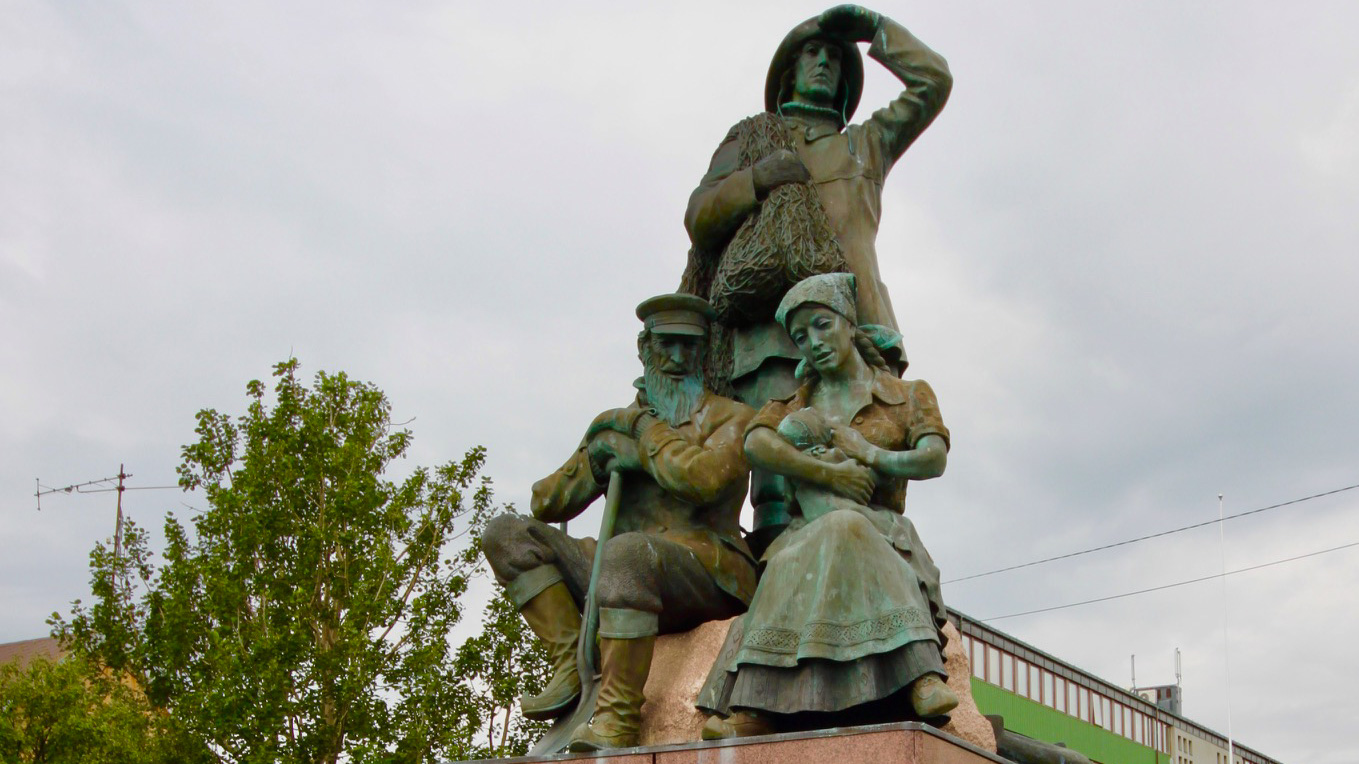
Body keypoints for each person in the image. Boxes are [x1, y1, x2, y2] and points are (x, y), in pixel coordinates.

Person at [679, 4, 952, 545]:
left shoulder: (865, 143)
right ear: (790, 71)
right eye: (812, 53)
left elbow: (934, 80)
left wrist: (874, 29)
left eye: (834, 56)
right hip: (767, 320)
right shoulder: (752, 138)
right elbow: (698, 215)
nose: (824, 62)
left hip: (857, 320)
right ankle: (774, 563)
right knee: (774, 472)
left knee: (872, 463)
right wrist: (757, 178)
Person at [480, 293, 758, 751]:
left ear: (703, 352)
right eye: (666, 344)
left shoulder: (734, 418)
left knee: (627, 552)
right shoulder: (618, 424)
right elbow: (546, 502)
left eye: (689, 346)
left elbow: (703, 481)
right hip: (621, 567)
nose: (677, 357)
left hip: (707, 566)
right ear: (644, 349)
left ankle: (617, 717)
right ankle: (570, 661)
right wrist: (596, 453)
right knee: (506, 535)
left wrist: (645, 438)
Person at [697, 273, 957, 738]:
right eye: (800, 337)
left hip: (881, 530)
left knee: (847, 527)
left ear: (849, 325)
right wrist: (829, 473)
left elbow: (933, 458)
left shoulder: (908, 393)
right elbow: (757, 442)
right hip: (808, 532)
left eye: (821, 325)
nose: (812, 342)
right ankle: (758, 704)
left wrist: (868, 453)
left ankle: (921, 675)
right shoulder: (798, 401)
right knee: (804, 547)